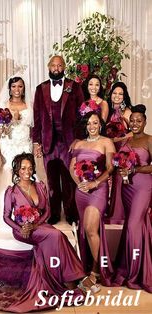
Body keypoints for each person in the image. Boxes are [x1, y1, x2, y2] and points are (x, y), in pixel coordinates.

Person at [0, 153, 85, 312]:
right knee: (56, 235)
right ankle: (73, 278)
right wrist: (20, 228)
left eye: (30, 168)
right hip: (21, 231)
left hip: (38, 226)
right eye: (23, 168)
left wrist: (35, 224)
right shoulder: (12, 191)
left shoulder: (40, 186)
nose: (27, 171)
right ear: (17, 170)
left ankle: (62, 279)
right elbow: (6, 217)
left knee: (56, 235)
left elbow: (47, 212)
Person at [32, 55, 84, 225]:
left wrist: (79, 139)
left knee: (69, 179)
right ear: (48, 67)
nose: (56, 68)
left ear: (64, 67)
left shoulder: (74, 87)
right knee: (52, 180)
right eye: (53, 65)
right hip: (49, 142)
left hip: (68, 141)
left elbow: (82, 114)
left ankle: (70, 214)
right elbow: (37, 118)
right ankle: (54, 213)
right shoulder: (41, 89)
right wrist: (36, 142)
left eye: (59, 65)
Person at [69, 111, 115, 291]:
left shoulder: (106, 142)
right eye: (89, 123)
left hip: (98, 190)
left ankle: (96, 273)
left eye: (95, 123)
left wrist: (95, 182)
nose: (92, 126)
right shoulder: (78, 143)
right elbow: (72, 167)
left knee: (90, 228)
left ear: (100, 124)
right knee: (86, 230)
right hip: (81, 191)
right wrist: (79, 184)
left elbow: (110, 168)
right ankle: (88, 266)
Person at [0, 76, 33, 229]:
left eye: (20, 87)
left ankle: (25, 208)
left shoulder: (29, 104)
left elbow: (33, 125)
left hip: (25, 142)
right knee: (10, 169)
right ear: (9, 88)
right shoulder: (4, 105)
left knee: (26, 170)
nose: (17, 89)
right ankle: (6, 210)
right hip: (9, 142)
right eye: (14, 86)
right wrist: (9, 122)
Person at [113, 104, 152, 293]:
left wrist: (135, 168)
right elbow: (117, 160)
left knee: (133, 226)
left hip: (144, 186)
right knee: (137, 225)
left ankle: (135, 274)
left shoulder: (150, 140)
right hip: (127, 187)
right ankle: (138, 267)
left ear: (145, 122)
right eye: (133, 121)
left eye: (139, 121)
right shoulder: (126, 141)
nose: (135, 123)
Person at [106, 82, 132, 224]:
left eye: (120, 94)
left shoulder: (127, 112)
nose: (117, 96)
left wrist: (118, 138)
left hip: (122, 151)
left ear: (124, 96)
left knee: (119, 181)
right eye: (115, 93)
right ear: (111, 95)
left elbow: (133, 133)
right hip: (108, 150)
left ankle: (119, 215)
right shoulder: (107, 110)